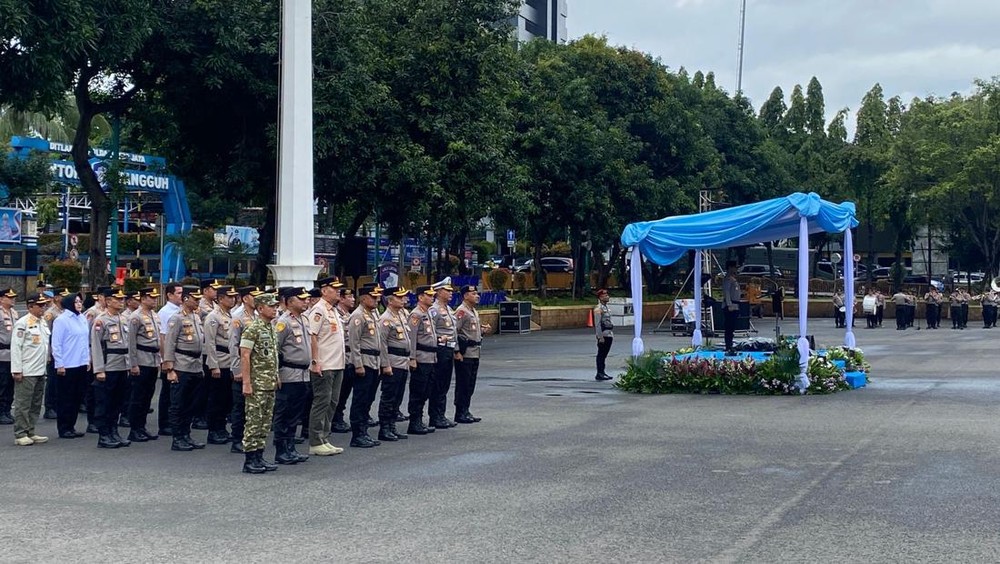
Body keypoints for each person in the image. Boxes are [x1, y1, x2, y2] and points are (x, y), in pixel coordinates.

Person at [239, 292, 280, 474]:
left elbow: (272, 356)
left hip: (269, 382)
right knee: (254, 422)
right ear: (261, 308)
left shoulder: (270, 328)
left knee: (265, 422)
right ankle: (250, 459)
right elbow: (245, 355)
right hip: (257, 384)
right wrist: (246, 383)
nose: (275, 309)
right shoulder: (253, 328)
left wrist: (276, 376)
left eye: (276, 306)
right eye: (271, 306)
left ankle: (259, 455)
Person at [305, 277, 346, 456]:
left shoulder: (333, 310)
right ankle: (315, 441)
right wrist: (315, 361)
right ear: (323, 291)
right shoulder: (319, 310)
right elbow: (312, 335)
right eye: (334, 288)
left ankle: (324, 438)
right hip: (324, 364)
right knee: (322, 402)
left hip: (337, 363)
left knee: (332, 402)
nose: (338, 291)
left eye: (338, 288)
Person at [163, 286, 206, 451]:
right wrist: (170, 368)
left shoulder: (196, 317)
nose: (198, 302)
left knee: (191, 404)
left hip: (195, 365)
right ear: (186, 299)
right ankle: (177, 438)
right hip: (181, 365)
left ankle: (186, 434)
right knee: (178, 404)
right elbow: (169, 343)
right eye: (195, 299)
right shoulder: (177, 318)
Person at [271, 287, 312, 464]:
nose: (305, 301)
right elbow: (275, 349)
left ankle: (290, 447)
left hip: (303, 374)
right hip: (288, 374)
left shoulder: (304, 319)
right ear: (289, 301)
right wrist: (275, 374)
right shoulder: (283, 322)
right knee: (284, 413)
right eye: (300, 299)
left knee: (295, 414)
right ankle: (281, 450)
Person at [90, 288, 133, 449]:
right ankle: (104, 435)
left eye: (122, 299)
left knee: (117, 401)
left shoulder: (123, 319)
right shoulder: (101, 321)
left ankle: (113, 431)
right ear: (108, 301)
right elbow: (96, 346)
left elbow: (128, 345)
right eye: (118, 299)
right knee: (105, 402)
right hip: (109, 366)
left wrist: (130, 365)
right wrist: (99, 369)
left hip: (122, 365)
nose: (121, 302)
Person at [11, 293, 51, 446]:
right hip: (27, 369)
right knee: (23, 403)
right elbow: (16, 347)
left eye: (44, 305)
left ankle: (30, 430)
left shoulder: (42, 322)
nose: (43, 308)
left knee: (35, 403)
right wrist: (17, 369)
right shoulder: (23, 323)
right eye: (39, 305)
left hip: (40, 368)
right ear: (30, 307)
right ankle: (20, 433)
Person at [346, 284, 384, 448]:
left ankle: (364, 431)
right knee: (360, 399)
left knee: (368, 398)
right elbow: (354, 343)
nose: (377, 300)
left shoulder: (372, 315)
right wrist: (358, 364)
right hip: (364, 361)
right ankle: (357, 434)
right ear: (363, 298)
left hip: (374, 361)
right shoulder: (358, 316)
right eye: (373, 297)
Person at [228, 286, 262, 454]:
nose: (257, 299)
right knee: (240, 406)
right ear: (245, 298)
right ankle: (237, 439)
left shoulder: (257, 316)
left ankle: (250, 438)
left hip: (256, 367)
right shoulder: (238, 318)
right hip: (242, 367)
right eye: (254, 296)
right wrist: (237, 370)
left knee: (253, 407)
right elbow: (233, 345)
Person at [203, 285, 238, 446]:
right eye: (229, 297)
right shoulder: (213, 317)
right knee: (216, 398)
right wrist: (213, 365)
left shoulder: (231, 315)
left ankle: (222, 428)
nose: (232, 299)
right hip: (219, 361)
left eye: (234, 297)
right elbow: (209, 343)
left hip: (230, 361)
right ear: (221, 299)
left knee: (226, 399)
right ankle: (214, 430)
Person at [51, 293, 89, 439]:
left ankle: (71, 426)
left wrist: (87, 360)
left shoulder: (82, 318)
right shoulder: (62, 320)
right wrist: (59, 364)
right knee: (66, 397)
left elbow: (85, 341)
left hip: (81, 363)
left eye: (80, 301)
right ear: (69, 304)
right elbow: (56, 344)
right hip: (67, 364)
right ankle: (64, 427)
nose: (79, 304)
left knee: (77, 397)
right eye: (76, 301)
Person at [126, 287, 161, 442]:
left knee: (147, 396)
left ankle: (142, 427)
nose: (154, 300)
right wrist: (133, 364)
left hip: (153, 359)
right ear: (143, 299)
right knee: (138, 396)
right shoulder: (136, 317)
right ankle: (134, 429)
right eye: (151, 297)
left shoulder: (154, 315)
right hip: (141, 360)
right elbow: (131, 342)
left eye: (155, 297)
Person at [377, 286, 411, 442]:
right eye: (399, 297)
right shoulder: (386, 319)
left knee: (398, 396)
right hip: (393, 361)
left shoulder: (400, 316)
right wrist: (385, 364)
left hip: (403, 361)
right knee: (389, 397)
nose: (403, 299)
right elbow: (382, 344)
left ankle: (392, 426)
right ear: (390, 301)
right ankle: (384, 428)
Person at [407, 285, 439, 435]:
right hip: (421, 358)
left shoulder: (427, 313)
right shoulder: (416, 314)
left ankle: (419, 420)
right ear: (420, 297)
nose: (432, 297)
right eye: (429, 295)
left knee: (426, 390)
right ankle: (414, 421)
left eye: (433, 295)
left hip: (430, 358)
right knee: (418, 391)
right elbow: (412, 338)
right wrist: (412, 358)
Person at [454, 285, 488, 423]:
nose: (477, 295)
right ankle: (460, 412)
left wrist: (482, 331)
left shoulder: (473, 311)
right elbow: (454, 332)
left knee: (470, 384)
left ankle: (466, 410)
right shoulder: (461, 311)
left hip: (475, 352)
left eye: (476, 293)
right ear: (465, 296)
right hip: (465, 353)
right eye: (473, 293)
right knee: (463, 384)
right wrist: (456, 351)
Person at [428, 278, 457, 429]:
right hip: (440, 349)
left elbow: (453, 331)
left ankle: (441, 414)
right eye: (447, 290)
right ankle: (435, 416)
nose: (451, 293)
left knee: (445, 383)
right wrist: (439, 339)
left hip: (449, 349)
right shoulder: (434, 309)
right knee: (438, 383)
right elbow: (431, 330)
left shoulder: (449, 309)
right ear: (439, 292)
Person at [156, 283, 183, 436]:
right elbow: (163, 338)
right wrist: (166, 360)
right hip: (169, 358)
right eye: (178, 293)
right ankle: (164, 423)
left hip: (179, 358)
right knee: (167, 393)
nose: (181, 296)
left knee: (176, 393)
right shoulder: (165, 312)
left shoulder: (180, 310)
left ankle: (174, 422)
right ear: (169, 295)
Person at [330, 288, 356, 434]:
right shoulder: (336, 314)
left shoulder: (348, 315)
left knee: (345, 390)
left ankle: (338, 415)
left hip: (349, 357)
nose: (353, 299)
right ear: (341, 299)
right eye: (349, 296)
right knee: (338, 391)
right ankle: (335, 418)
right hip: (341, 357)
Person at [0, 288, 21, 425]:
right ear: (1, 299)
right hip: (1, 354)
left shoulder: (14, 312)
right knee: (2, 384)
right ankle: (1, 412)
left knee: (10, 385)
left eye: (13, 297)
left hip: (12, 354)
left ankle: (6, 410)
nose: (13, 299)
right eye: (9, 297)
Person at [594, 289, 614, 380]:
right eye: (605, 296)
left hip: (609, 333)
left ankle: (603, 372)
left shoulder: (606, 308)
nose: (607, 297)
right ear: (601, 297)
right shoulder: (598, 309)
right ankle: (599, 373)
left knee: (604, 355)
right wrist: (600, 337)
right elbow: (597, 324)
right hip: (603, 334)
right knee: (601, 354)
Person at [722, 260, 741, 354]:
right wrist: (729, 304)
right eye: (735, 267)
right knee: (729, 327)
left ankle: (730, 344)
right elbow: (726, 292)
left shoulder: (733, 279)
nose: (736, 269)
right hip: (730, 305)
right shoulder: (728, 279)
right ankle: (728, 345)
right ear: (730, 267)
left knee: (732, 327)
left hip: (735, 305)